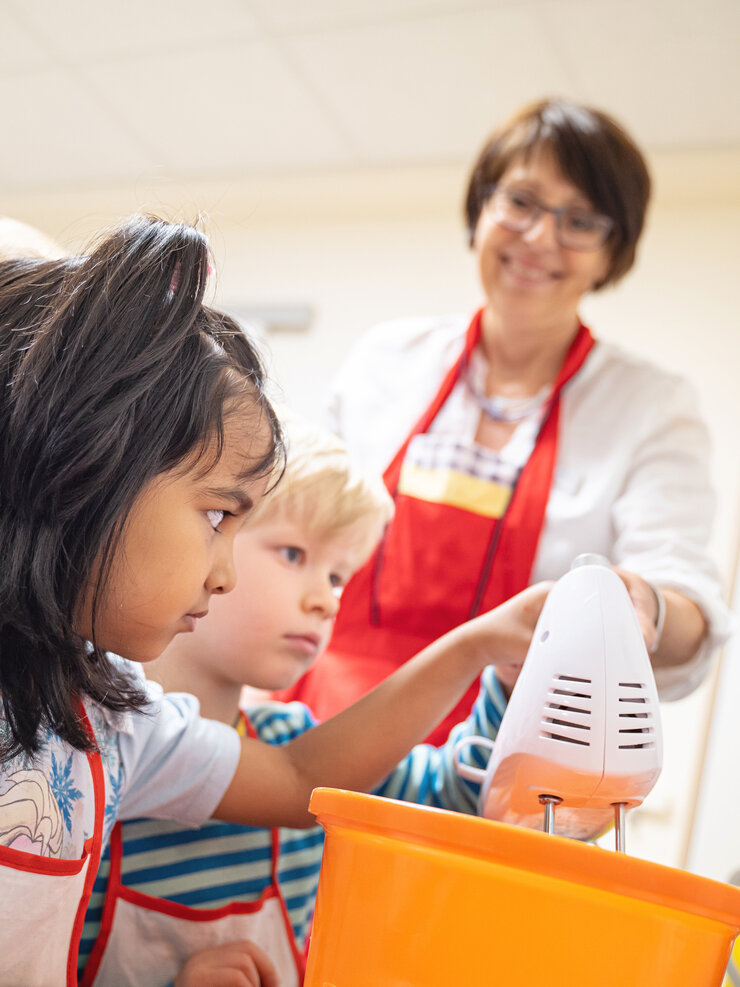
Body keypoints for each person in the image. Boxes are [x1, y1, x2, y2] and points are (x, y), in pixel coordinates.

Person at [0, 216, 547, 987]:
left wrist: (476, 647)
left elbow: (297, 780)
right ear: (80, 466)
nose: (221, 574)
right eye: (219, 517)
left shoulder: (116, 722)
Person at [276, 97, 732, 745]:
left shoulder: (650, 406)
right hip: (327, 727)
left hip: (509, 753)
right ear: (481, 209)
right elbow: (299, 532)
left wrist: (646, 604)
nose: (541, 237)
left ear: (611, 254)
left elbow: (686, 604)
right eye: (521, 201)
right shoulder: (388, 360)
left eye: (581, 220)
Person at [77, 414, 547, 987]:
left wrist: (504, 676)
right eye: (295, 555)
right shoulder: (95, 752)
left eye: (339, 577)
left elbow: (456, 796)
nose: (326, 601)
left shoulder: (300, 745)